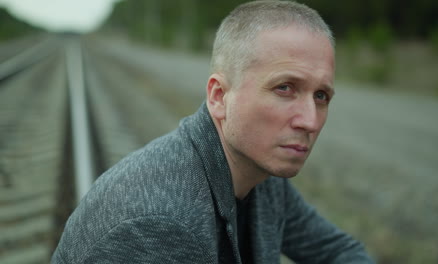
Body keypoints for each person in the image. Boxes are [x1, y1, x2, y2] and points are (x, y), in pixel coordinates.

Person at [53, 1, 374, 263]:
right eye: (285, 88)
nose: (311, 121)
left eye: (321, 96)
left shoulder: (262, 178)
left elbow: (339, 253)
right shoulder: (160, 225)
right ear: (219, 97)